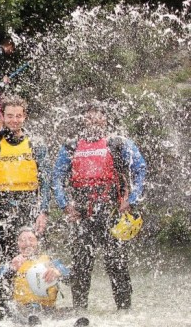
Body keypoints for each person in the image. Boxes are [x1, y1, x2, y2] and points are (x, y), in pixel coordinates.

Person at [52, 102, 146, 310]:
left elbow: (140, 169)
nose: (94, 122)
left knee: (117, 264)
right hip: (82, 215)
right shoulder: (71, 146)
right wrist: (65, 204)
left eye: (98, 118)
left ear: (105, 120)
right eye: (89, 118)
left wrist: (132, 199)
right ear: (83, 121)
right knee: (81, 265)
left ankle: (124, 313)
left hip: (112, 213)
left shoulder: (118, 143)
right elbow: (57, 177)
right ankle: (80, 312)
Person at [0, 95, 51, 316]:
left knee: (34, 258)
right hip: (2, 211)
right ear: (1, 117)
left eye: (18, 116)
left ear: (25, 117)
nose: (14, 120)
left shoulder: (36, 144)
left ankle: (37, 308)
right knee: (8, 262)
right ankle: (5, 313)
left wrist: (43, 212)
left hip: (29, 207)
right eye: (9, 116)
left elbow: (45, 181)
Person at [0, 227, 69, 323]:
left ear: (37, 242)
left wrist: (58, 272)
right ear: (17, 245)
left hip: (47, 309)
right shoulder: (10, 264)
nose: (27, 243)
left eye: (31, 239)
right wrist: (11, 270)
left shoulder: (50, 261)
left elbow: (71, 278)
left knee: (68, 312)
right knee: (17, 311)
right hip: (21, 311)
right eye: (22, 240)